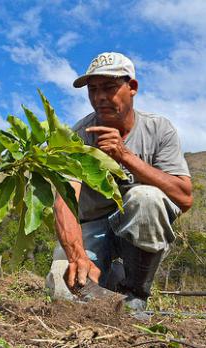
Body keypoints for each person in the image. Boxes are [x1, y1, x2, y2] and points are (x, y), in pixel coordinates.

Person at [47, 52, 193, 310]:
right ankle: (110, 280)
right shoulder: (78, 136)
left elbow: (184, 197)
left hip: (139, 229)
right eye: (93, 90)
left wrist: (125, 156)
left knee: (145, 198)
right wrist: (77, 256)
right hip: (93, 227)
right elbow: (65, 201)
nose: (99, 97)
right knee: (63, 284)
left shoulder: (159, 129)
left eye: (109, 87)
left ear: (132, 87)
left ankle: (135, 295)